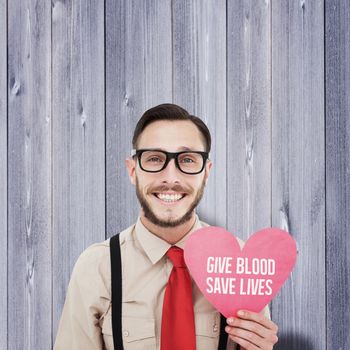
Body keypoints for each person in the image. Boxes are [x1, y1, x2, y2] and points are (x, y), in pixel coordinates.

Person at [54, 103, 278, 350]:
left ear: (206, 172)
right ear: (132, 170)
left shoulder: (240, 263)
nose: (171, 178)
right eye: (154, 159)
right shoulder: (97, 267)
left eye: (188, 160)